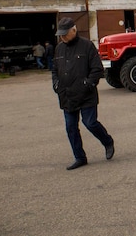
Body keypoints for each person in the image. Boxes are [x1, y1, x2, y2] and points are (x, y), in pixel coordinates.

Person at [51, 17, 114, 170]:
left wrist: (88, 84)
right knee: (71, 127)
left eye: (65, 34)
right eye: (61, 34)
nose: (63, 37)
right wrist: (56, 84)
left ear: (74, 30)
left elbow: (97, 69)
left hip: (86, 94)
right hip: (67, 95)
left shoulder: (87, 46)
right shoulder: (59, 48)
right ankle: (80, 157)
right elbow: (54, 69)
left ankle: (107, 141)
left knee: (90, 123)